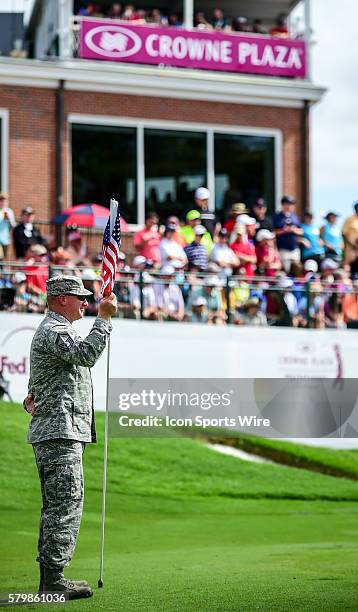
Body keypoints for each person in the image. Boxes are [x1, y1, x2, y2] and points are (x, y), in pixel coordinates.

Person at [23, 276, 117, 599]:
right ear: (61, 299)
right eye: (80, 298)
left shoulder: (55, 330)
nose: (86, 304)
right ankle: (53, 579)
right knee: (65, 503)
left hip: (60, 431)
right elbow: (87, 354)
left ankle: (52, 575)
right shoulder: (54, 330)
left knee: (59, 504)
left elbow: (45, 376)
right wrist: (103, 318)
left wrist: (31, 395)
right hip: (58, 432)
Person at [273, 195, 303, 273]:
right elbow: (273, 233)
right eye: (288, 203)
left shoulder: (294, 216)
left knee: (296, 270)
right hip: (283, 249)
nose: (290, 206)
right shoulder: (277, 217)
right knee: (286, 270)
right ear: (283, 204)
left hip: (294, 249)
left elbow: (301, 231)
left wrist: (293, 230)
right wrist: (284, 230)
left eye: (291, 204)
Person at [0, 192, 15, 260]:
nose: (3, 203)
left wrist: (9, 220)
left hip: (5, 238)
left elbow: (13, 225)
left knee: (3, 258)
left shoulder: (9, 211)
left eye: (4, 201)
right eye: (1, 201)